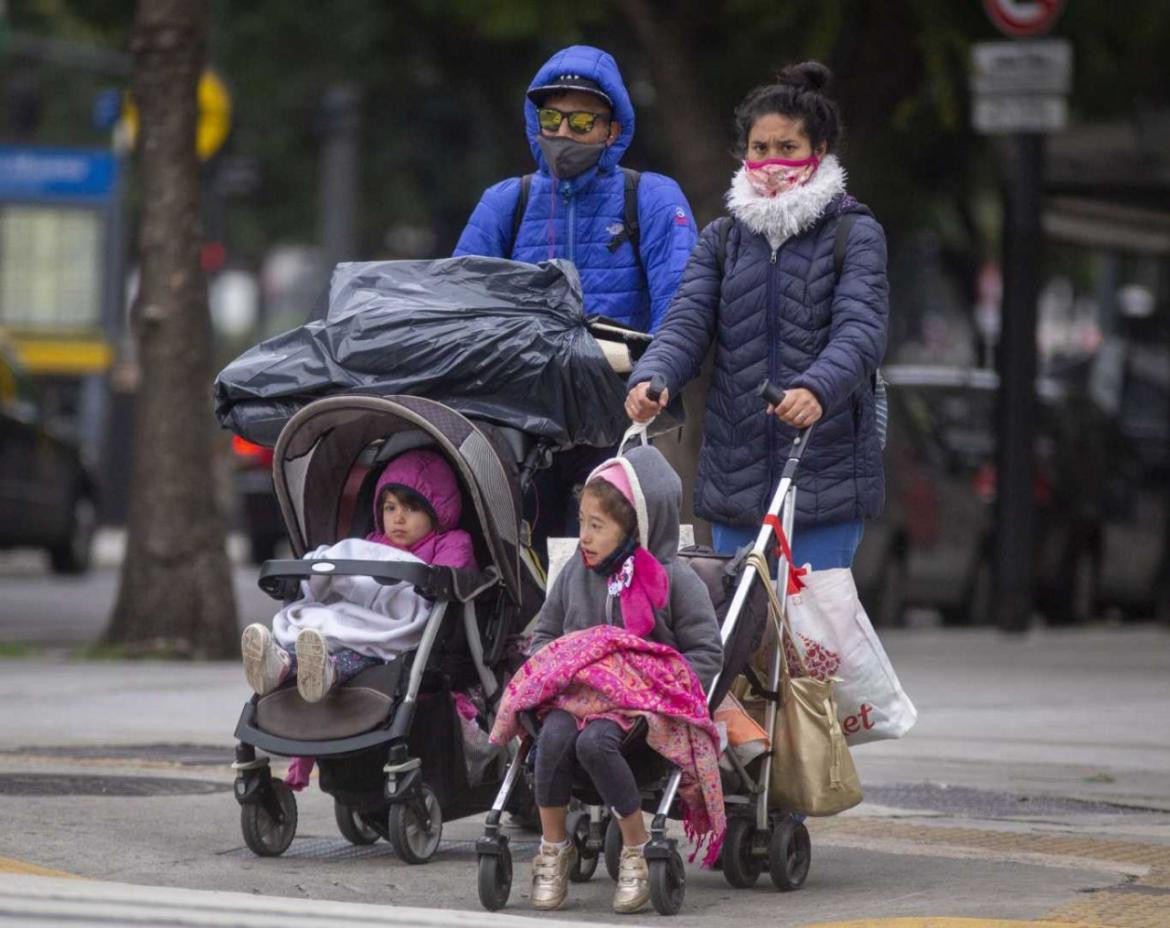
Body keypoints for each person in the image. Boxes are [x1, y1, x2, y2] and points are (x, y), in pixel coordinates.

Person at [625, 61, 889, 571]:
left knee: (814, 642)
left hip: (824, 473)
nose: (771, 162)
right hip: (735, 476)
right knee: (740, 636)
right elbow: (685, 322)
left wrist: (816, 388)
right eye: (759, 148)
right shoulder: (722, 239)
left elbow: (862, 328)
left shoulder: (853, 232)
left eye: (787, 148)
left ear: (820, 152)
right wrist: (653, 378)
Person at [454, 45, 699, 552]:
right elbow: (458, 307)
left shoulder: (650, 197)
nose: (564, 133)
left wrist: (658, 377)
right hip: (522, 423)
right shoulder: (506, 202)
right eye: (551, 117)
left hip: (621, 416)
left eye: (583, 120)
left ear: (613, 129)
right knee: (522, 562)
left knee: (614, 565)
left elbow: (683, 305)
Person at [496, 445, 722, 914]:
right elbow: (546, 635)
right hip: (574, 698)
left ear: (635, 527)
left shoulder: (675, 581)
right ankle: (554, 849)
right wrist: (562, 666)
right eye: (581, 522)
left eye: (596, 526)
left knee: (594, 743)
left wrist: (652, 687)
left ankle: (636, 848)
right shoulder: (575, 575)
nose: (584, 537)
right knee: (553, 738)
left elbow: (706, 653)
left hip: (635, 712)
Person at [240, 449, 476, 703]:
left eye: (410, 509)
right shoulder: (374, 543)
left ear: (437, 511)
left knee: (363, 648)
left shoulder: (452, 543)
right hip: (361, 615)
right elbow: (353, 577)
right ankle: (282, 663)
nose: (398, 518)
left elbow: (450, 578)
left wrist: (429, 580)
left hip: (397, 628)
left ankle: (330, 672)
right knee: (327, 624)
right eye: (390, 507)